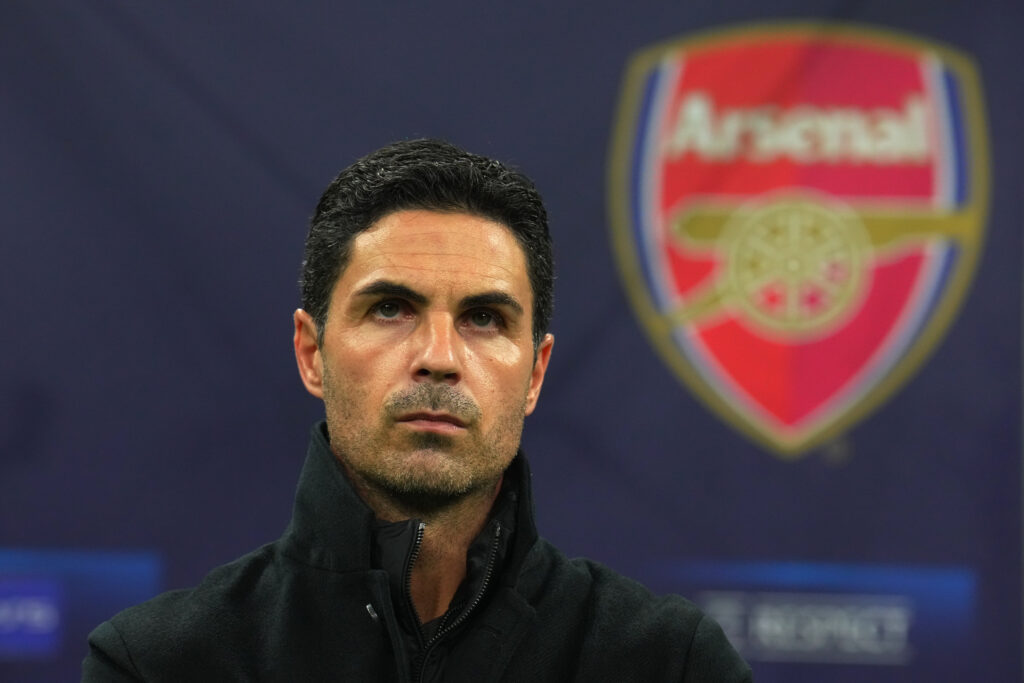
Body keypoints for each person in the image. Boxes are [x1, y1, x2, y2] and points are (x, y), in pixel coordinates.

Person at [82, 139, 752, 682]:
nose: (439, 355)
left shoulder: (670, 663)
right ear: (312, 352)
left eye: (484, 318)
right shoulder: (159, 664)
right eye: (391, 308)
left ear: (535, 372)